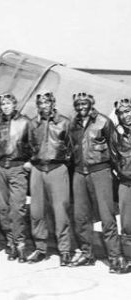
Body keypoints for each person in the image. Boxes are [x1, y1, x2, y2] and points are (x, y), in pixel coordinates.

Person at [69, 92, 123, 273]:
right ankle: (86, 253)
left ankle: (115, 257)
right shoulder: (73, 124)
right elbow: (71, 149)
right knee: (80, 216)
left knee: (107, 216)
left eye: (85, 103)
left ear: (91, 104)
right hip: (79, 173)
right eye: (78, 104)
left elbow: (114, 149)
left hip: (100, 171)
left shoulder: (104, 122)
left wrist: (118, 173)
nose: (81, 106)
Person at [28, 92, 72, 266]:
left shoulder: (64, 122)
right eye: (40, 103)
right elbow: (29, 145)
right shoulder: (33, 123)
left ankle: (65, 250)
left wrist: (61, 162)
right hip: (38, 170)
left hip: (57, 169)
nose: (44, 105)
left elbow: (71, 147)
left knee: (60, 211)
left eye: (47, 102)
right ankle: (40, 248)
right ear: (37, 105)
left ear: (53, 103)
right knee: (37, 212)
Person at [0, 93, 30, 263]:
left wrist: (28, 161)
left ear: (15, 105)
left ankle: (20, 244)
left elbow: (33, 143)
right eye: (3, 104)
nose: (6, 106)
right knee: (3, 209)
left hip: (17, 167)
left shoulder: (25, 122)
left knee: (18, 208)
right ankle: (11, 243)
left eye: (9, 103)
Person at [112, 98, 131, 273]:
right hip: (126, 184)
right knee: (127, 225)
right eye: (122, 113)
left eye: (128, 111)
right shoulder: (117, 135)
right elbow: (114, 159)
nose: (126, 115)